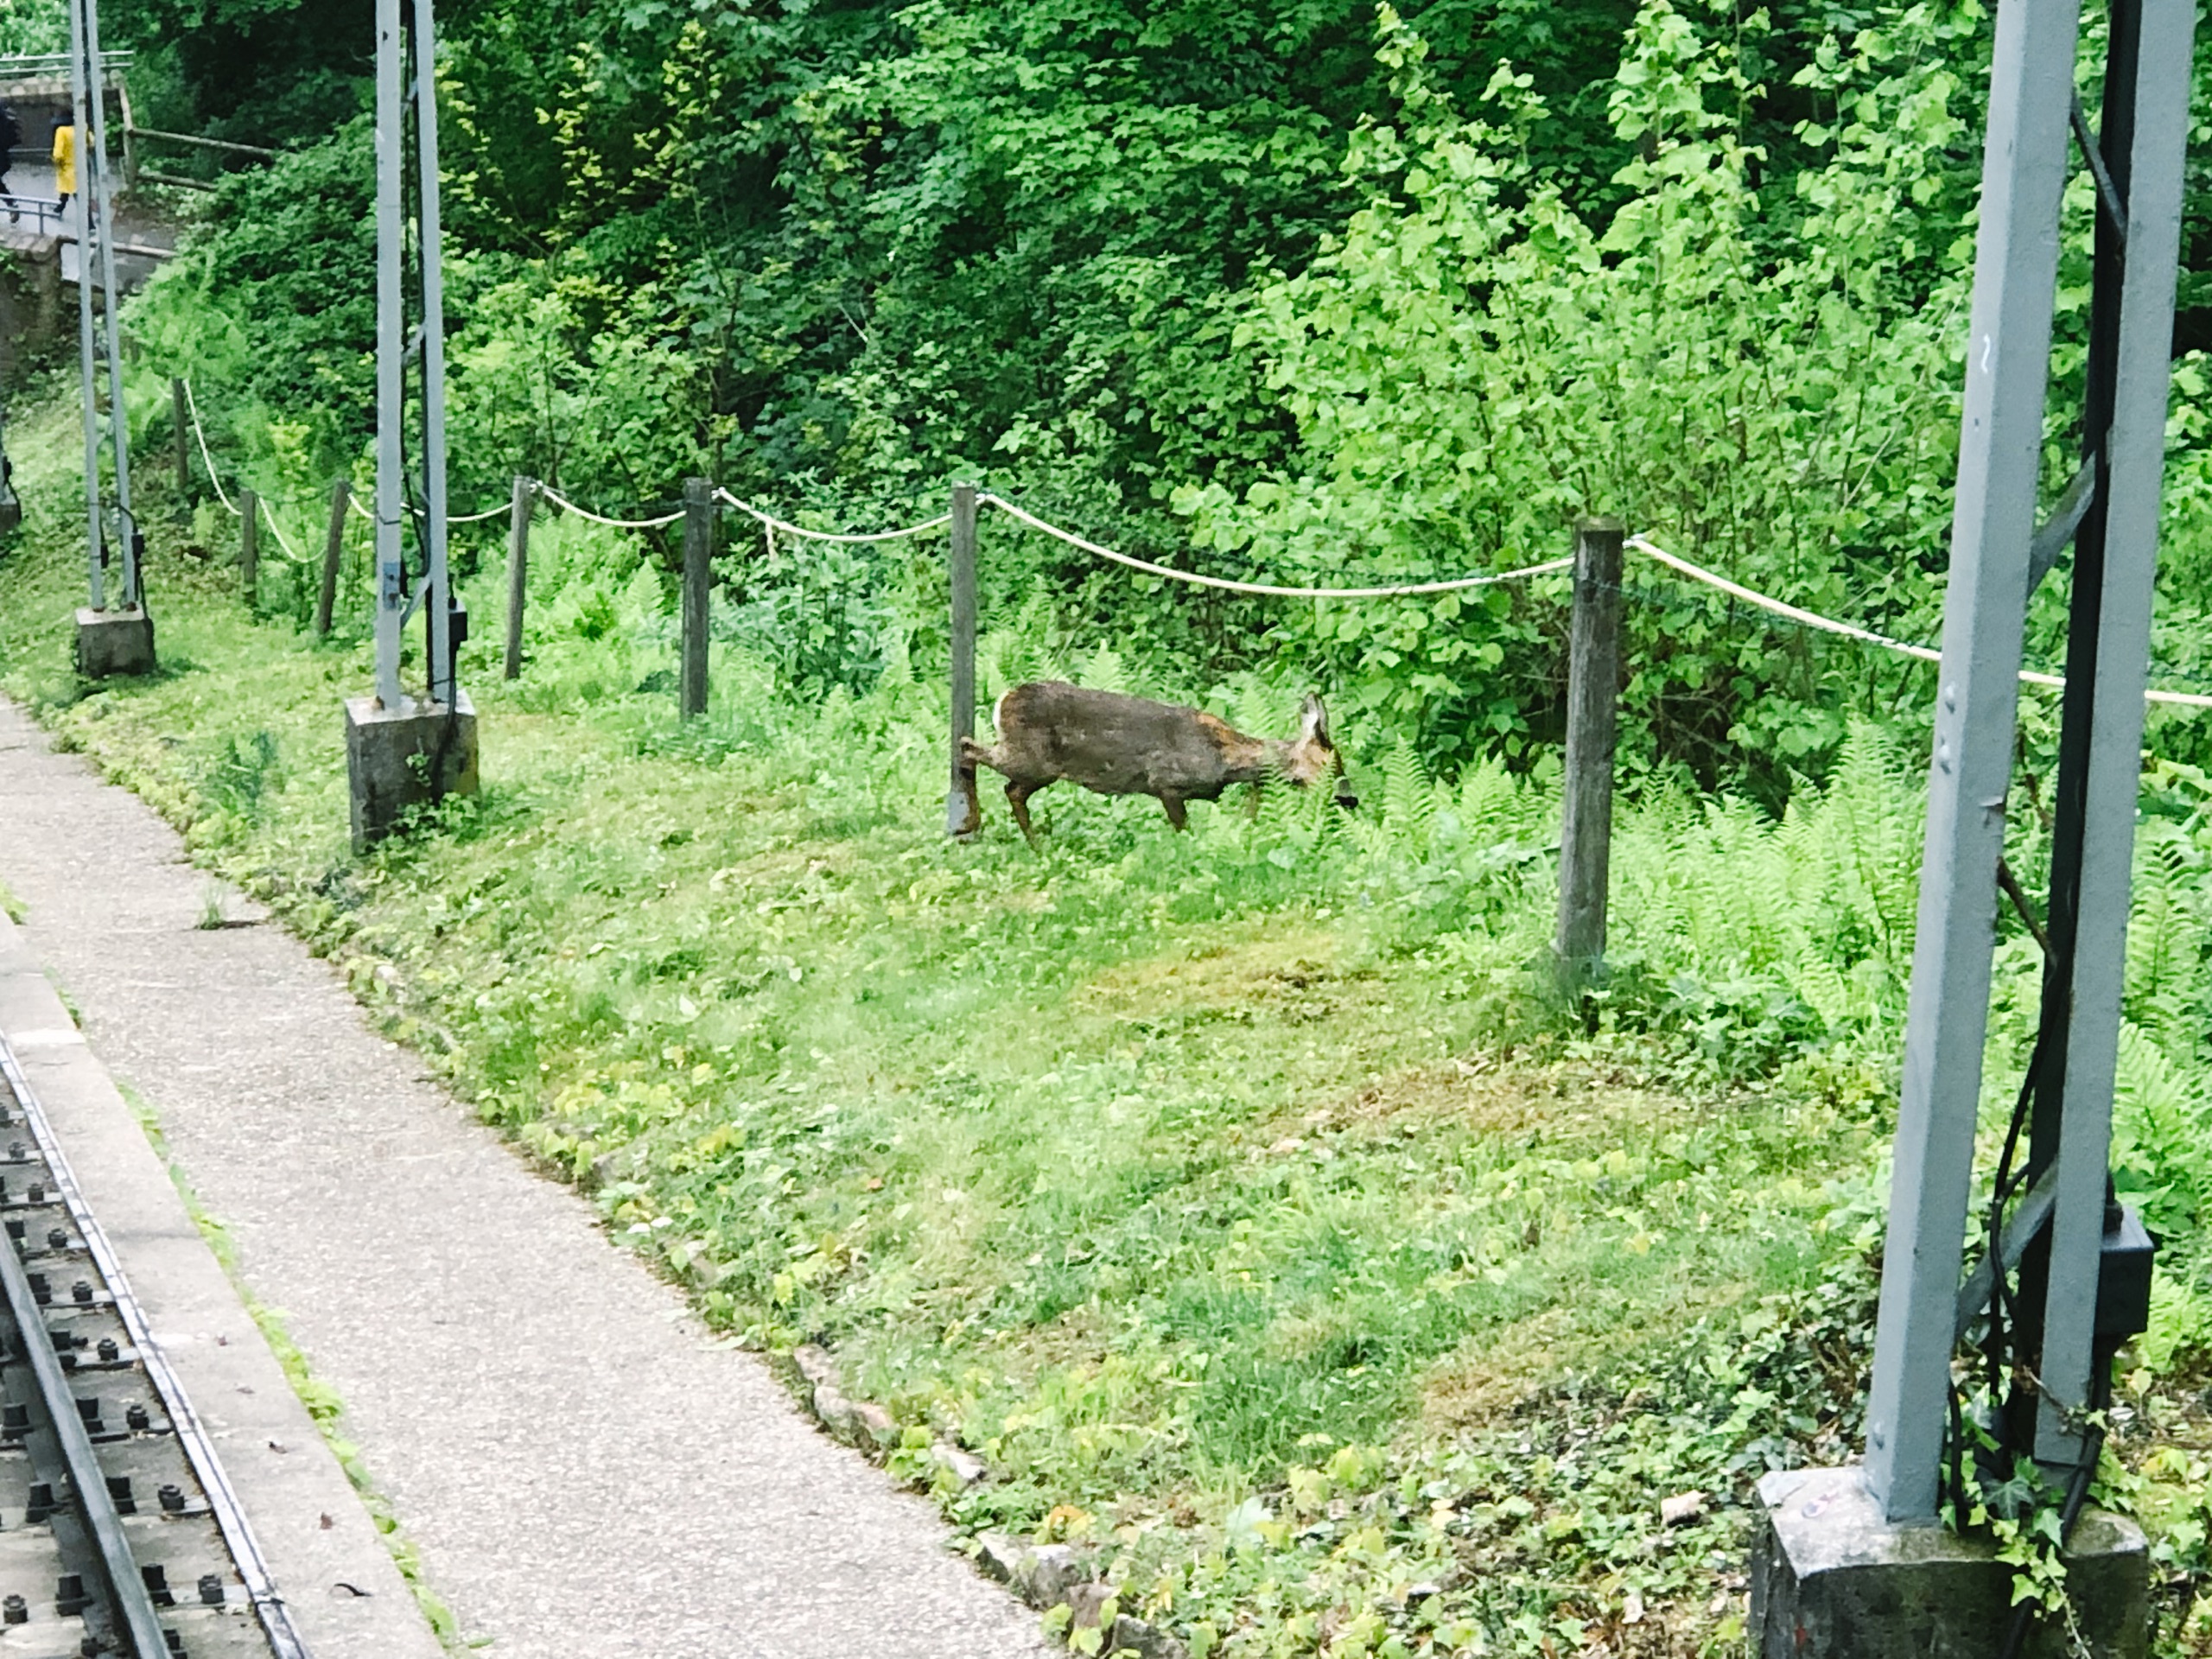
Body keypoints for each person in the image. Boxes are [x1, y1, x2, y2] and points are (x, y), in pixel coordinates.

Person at [52, 119, 74, 221]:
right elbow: (91, 142)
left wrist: (56, 163)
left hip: (67, 166)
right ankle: (59, 208)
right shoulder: (82, 127)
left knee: (74, 191)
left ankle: (90, 223)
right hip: (81, 166)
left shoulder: (61, 131)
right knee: (66, 191)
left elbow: (58, 154)